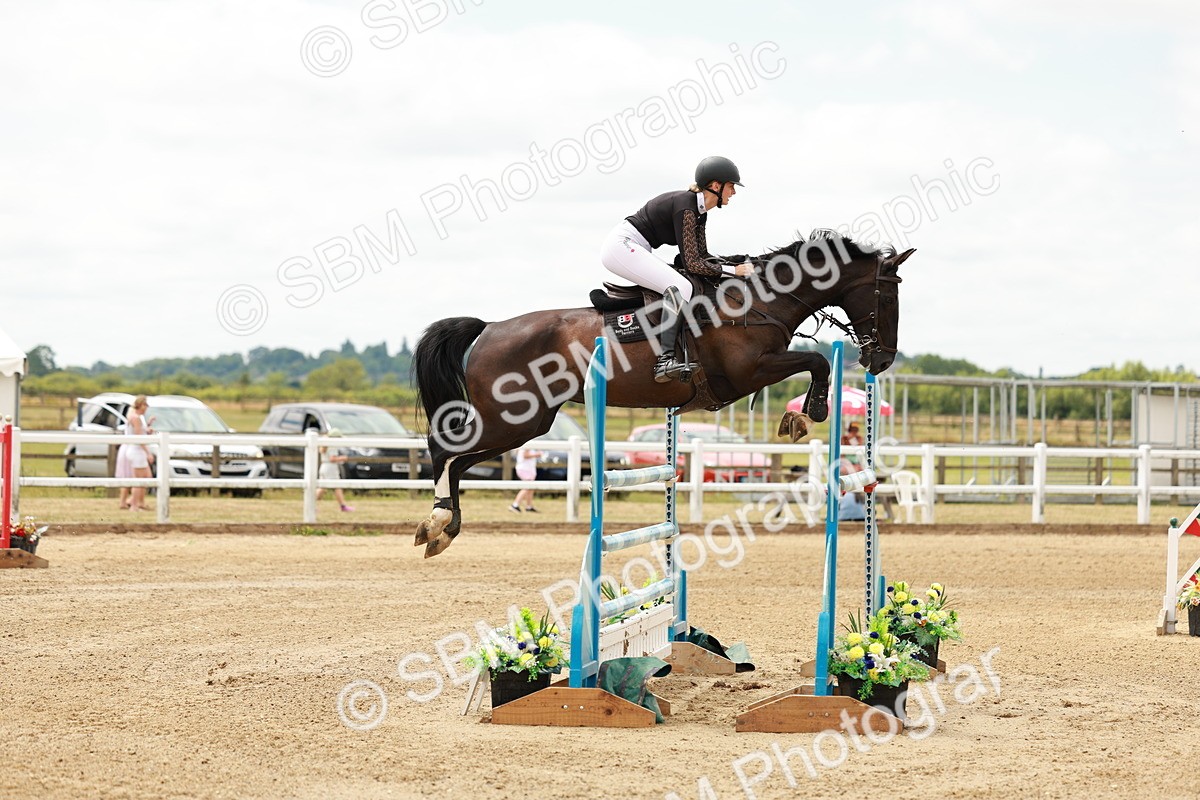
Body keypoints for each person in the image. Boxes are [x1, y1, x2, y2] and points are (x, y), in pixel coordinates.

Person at [600, 156, 755, 383]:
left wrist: (736, 266)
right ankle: (665, 360)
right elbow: (693, 263)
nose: (733, 192)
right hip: (621, 247)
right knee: (681, 286)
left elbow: (703, 256)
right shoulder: (686, 207)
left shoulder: (700, 212)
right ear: (715, 185)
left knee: (683, 282)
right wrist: (733, 272)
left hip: (636, 247)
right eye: (731, 186)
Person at [116, 396, 155, 511]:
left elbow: (140, 432)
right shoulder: (136, 418)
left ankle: (133, 501)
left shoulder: (136, 417)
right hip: (136, 451)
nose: (146, 407)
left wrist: (147, 427)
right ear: (141, 405)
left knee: (147, 477)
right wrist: (148, 453)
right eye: (145, 405)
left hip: (136, 450)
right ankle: (134, 505)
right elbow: (139, 437)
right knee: (139, 480)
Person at [316, 428, 354, 512]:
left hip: (324, 467)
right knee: (337, 487)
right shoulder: (332, 445)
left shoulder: (325, 444)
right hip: (330, 468)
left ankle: (311, 505)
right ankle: (343, 506)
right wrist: (343, 458)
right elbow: (332, 458)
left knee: (322, 488)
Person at [510, 445, 541, 513]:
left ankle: (529, 506)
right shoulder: (528, 442)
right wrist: (537, 454)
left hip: (528, 468)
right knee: (527, 487)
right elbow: (525, 455)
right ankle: (515, 505)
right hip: (525, 468)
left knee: (530, 488)